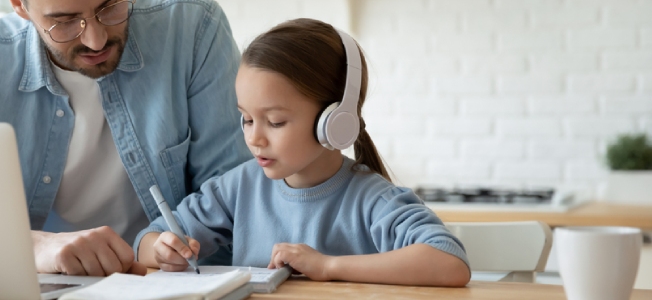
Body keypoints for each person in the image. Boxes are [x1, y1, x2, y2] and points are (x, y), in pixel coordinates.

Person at [0, 0, 250, 276]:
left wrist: (156, 249)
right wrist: (34, 248)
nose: (96, 39)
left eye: (111, 5)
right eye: (65, 21)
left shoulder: (192, 29)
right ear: (18, 2)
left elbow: (236, 191)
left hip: (169, 282)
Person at [135, 18, 471, 286]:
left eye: (276, 122)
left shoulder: (372, 199)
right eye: (247, 119)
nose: (255, 138)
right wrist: (164, 250)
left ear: (335, 121)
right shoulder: (237, 188)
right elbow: (147, 241)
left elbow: (449, 262)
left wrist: (328, 266)